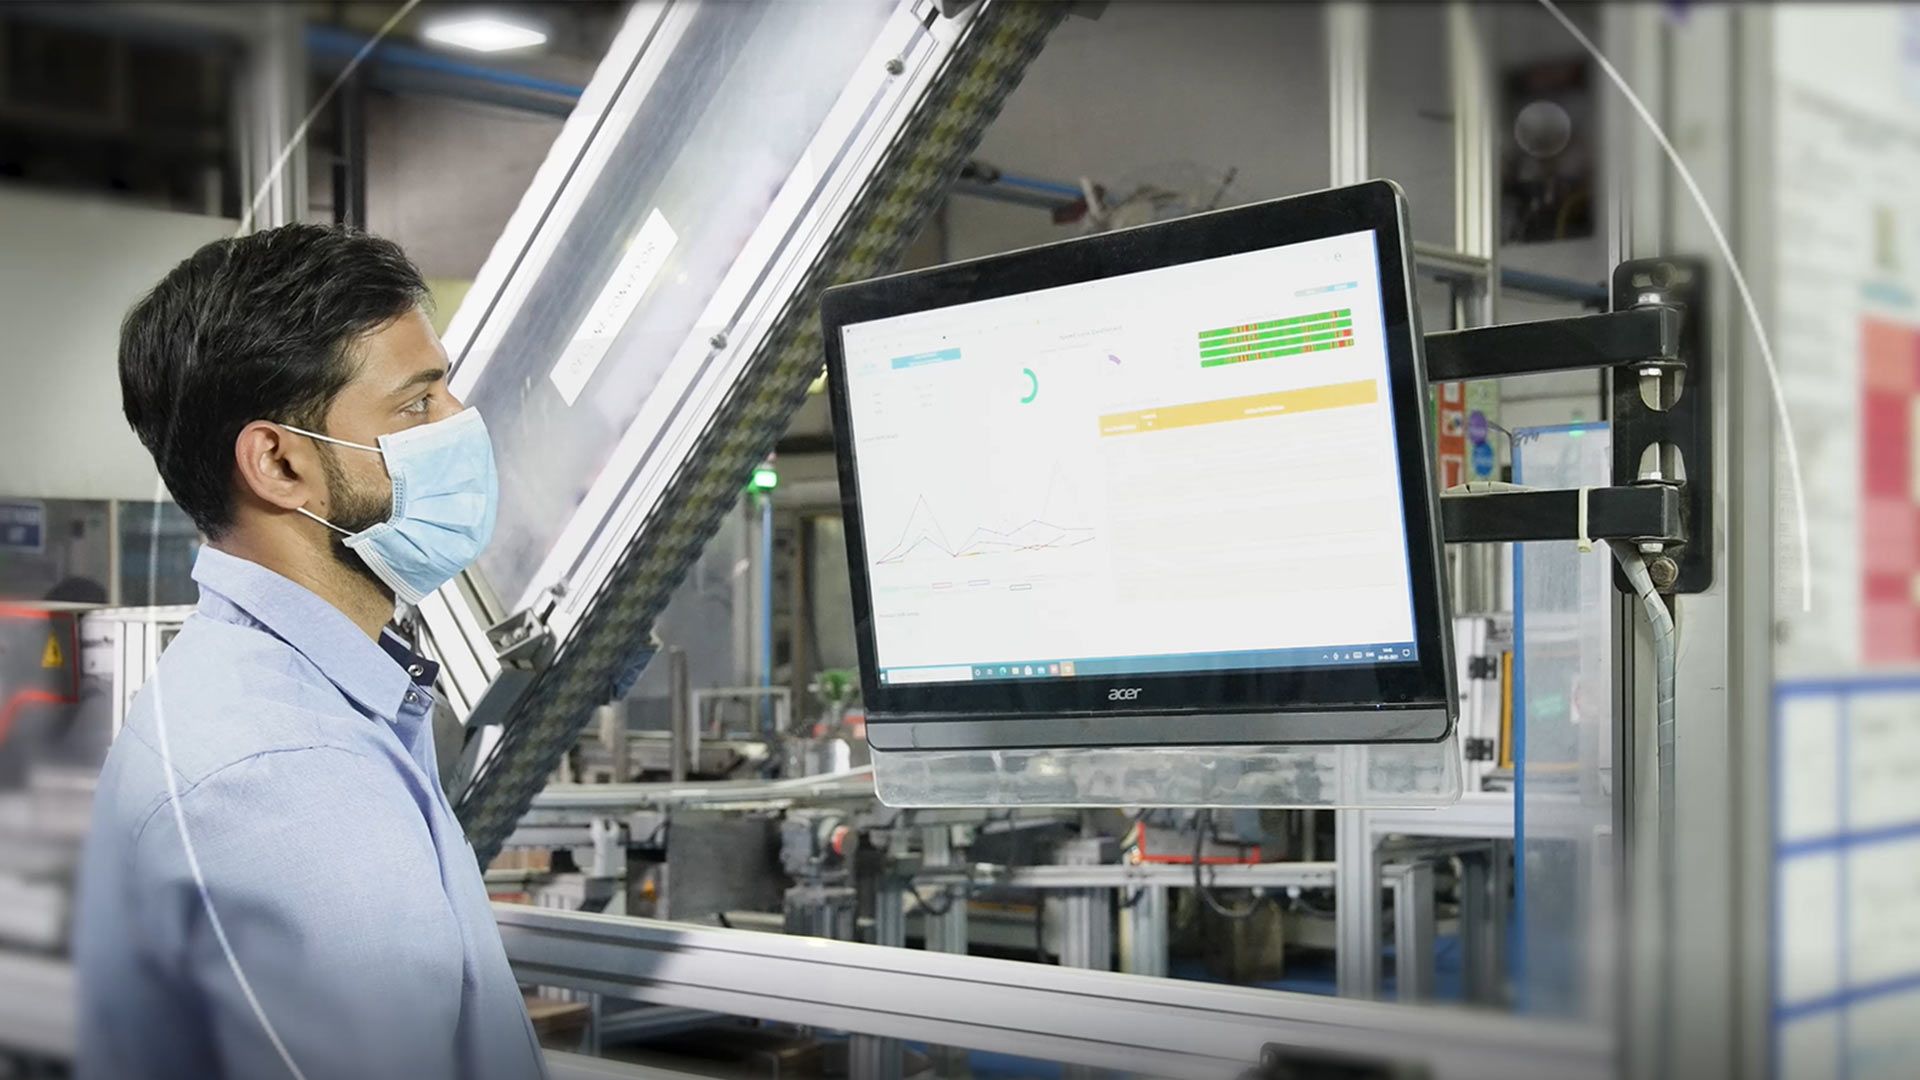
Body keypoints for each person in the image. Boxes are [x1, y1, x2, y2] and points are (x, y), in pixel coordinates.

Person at [74, 224, 545, 1080]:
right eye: (415, 405)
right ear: (280, 465)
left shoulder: (301, 699)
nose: (459, 425)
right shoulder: (284, 777)